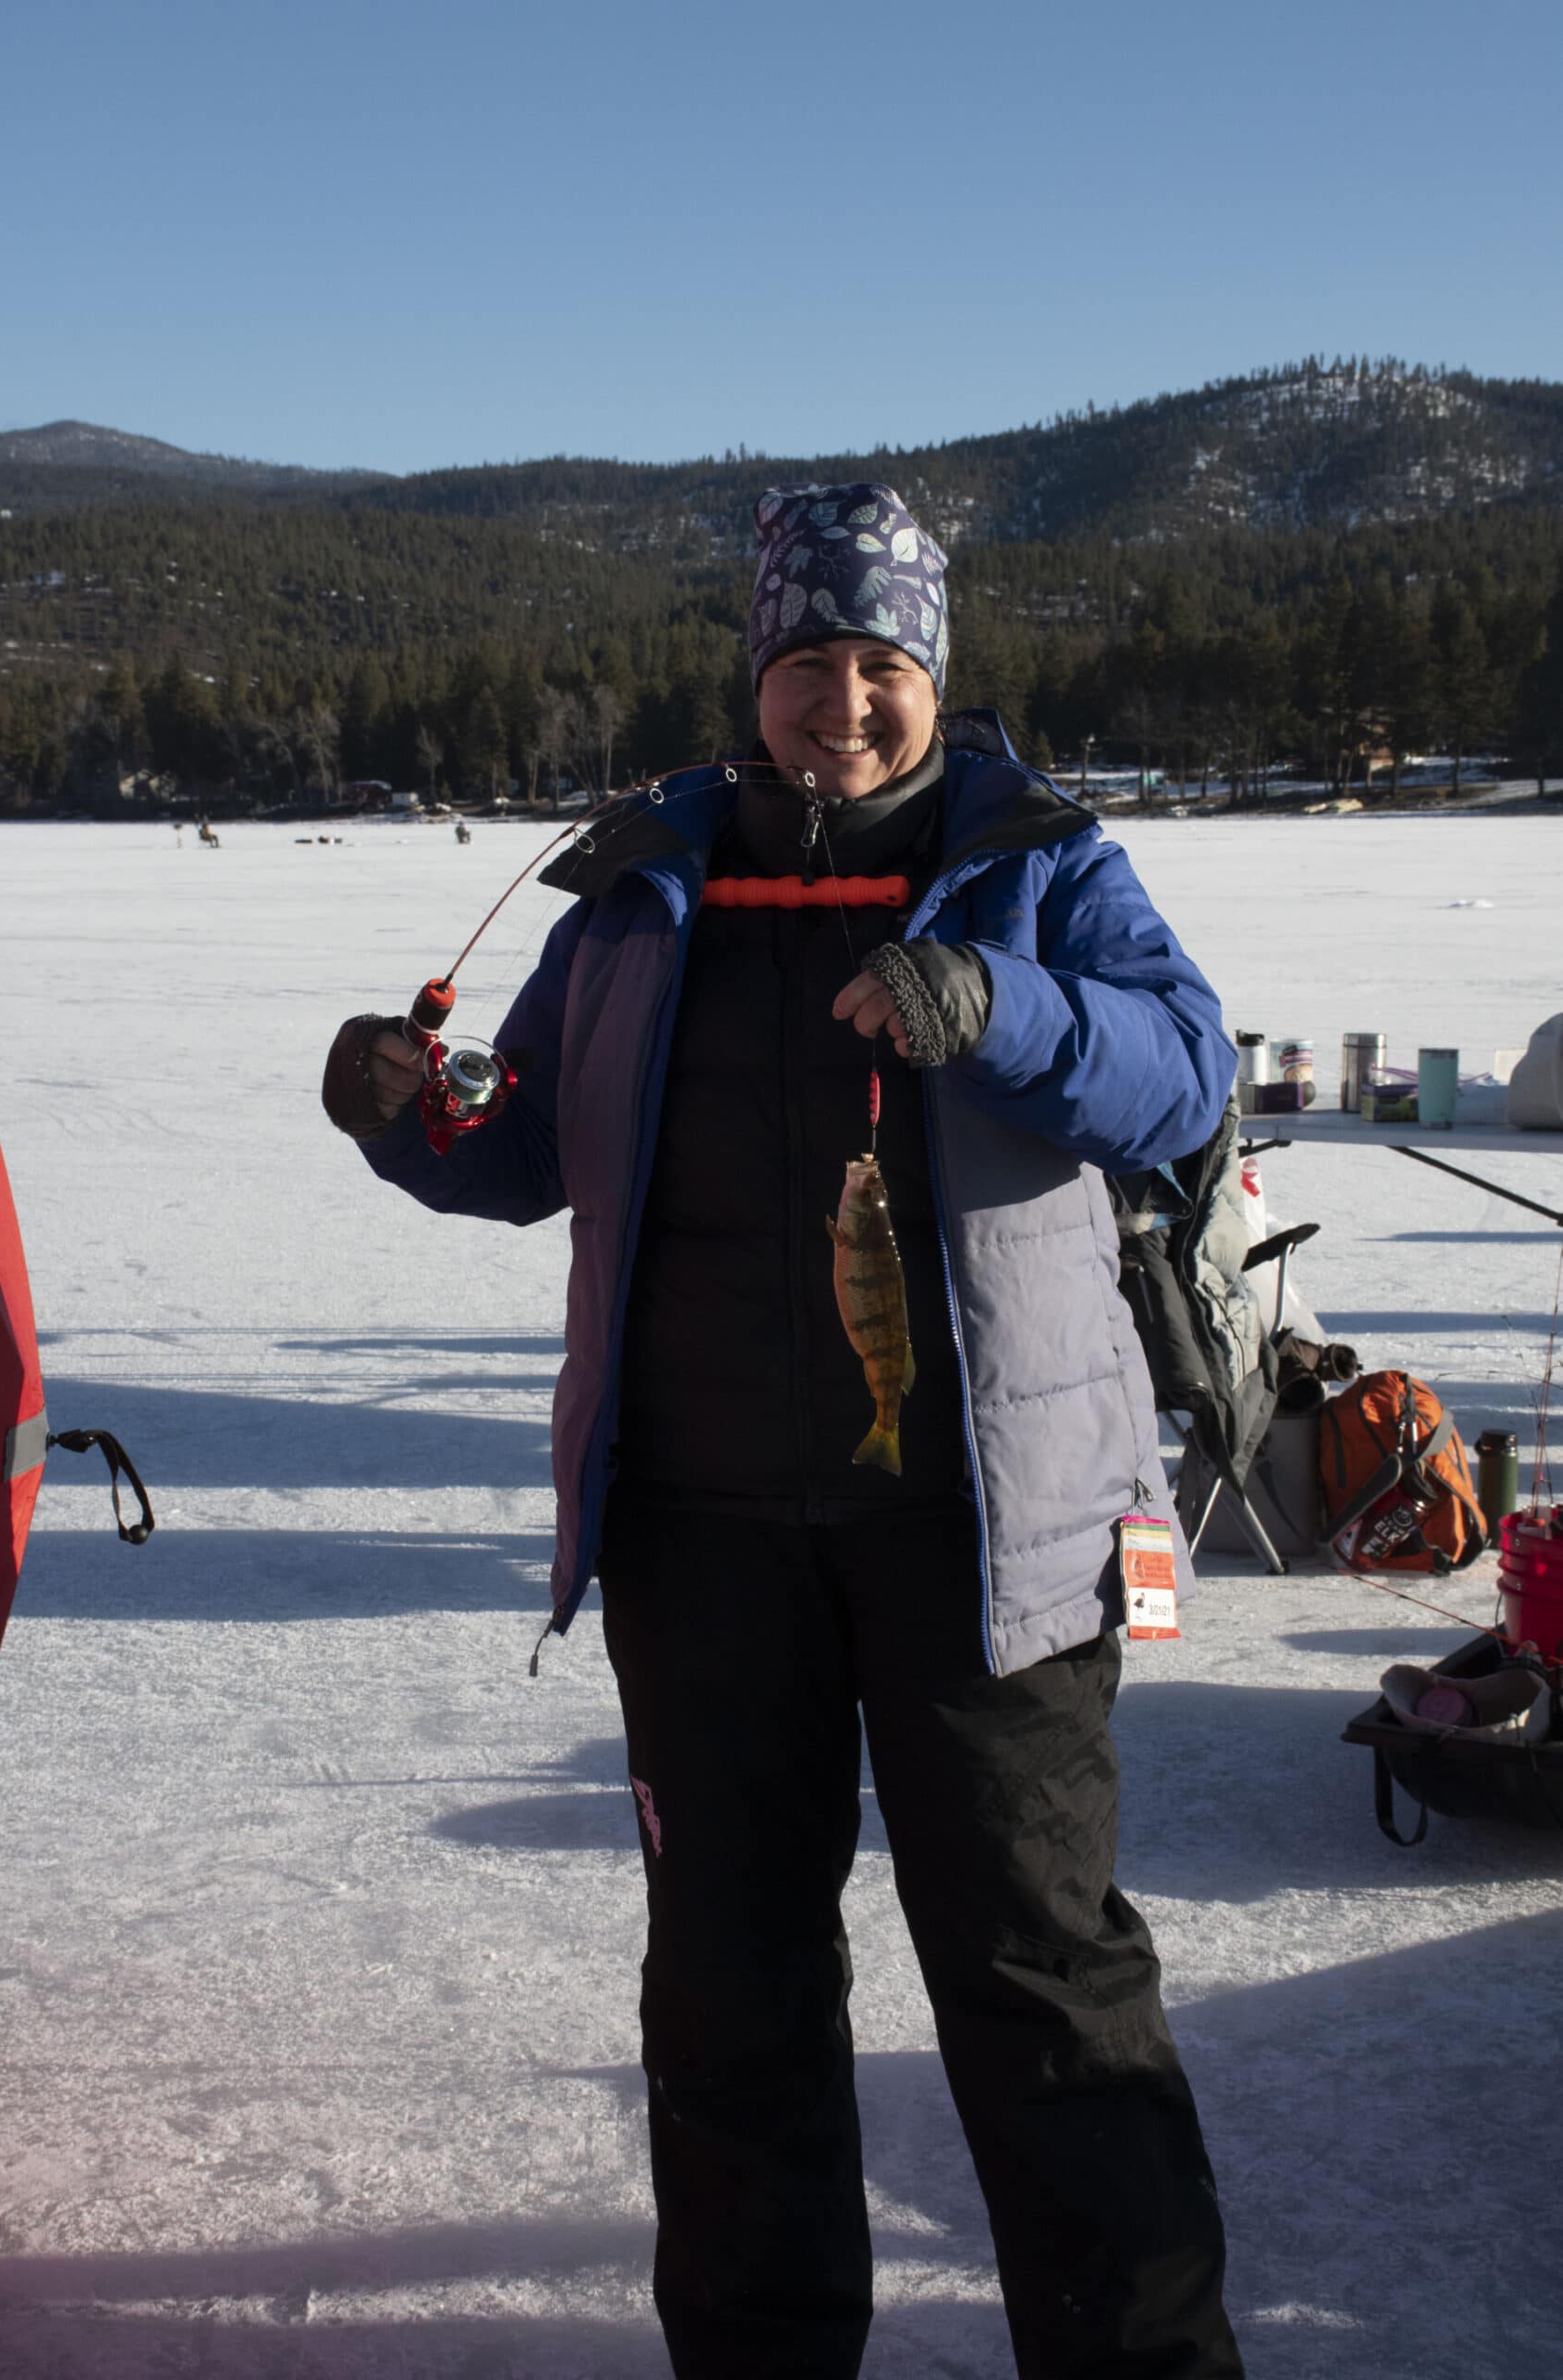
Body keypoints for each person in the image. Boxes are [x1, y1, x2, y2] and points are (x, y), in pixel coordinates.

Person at [323, 483, 1244, 2379]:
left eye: (881, 663)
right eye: (808, 661)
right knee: (731, 1997)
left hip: (984, 1533)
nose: (843, 701)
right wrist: (399, 1103)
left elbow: (1178, 1079)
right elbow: (521, 1149)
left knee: (1040, 1988)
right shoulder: (645, 880)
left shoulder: (1033, 859)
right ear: (754, 674)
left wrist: (993, 999)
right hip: (704, 1530)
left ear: (934, 677)